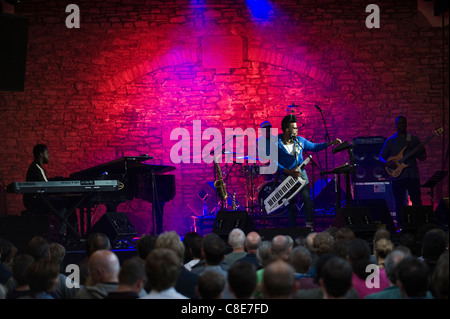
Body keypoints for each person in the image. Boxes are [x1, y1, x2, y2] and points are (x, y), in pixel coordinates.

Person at [275, 114, 341, 229]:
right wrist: (288, 171)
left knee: (307, 198)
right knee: (290, 202)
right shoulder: (276, 142)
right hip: (286, 175)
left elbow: (315, 147)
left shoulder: (300, 140)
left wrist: (330, 143)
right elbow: (274, 162)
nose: (297, 130)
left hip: (301, 174)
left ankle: (309, 225)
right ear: (287, 129)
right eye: (294, 128)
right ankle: (292, 228)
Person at [379, 116, 427, 229]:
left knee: (416, 199)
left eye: (403, 123)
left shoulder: (413, 139)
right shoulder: (390, 141)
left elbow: (422, 158)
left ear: (406, 124)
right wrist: (387, 163)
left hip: (412, 175)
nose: (401, 125)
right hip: (397, 177)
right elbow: (381, 156)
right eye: (399, 123)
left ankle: (419, 225)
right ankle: (400, 225)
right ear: (396, 125)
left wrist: (422, 150)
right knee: (399, 201)